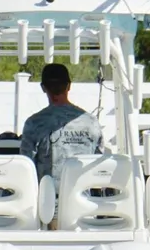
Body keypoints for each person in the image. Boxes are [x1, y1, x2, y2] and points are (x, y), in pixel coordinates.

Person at [20, 63, 104, 228]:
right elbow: (99, 164)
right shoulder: (91, 122)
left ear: (43, 88)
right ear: (69, 86)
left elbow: (25, 168)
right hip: (86, 208)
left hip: (49, 212)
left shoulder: (34, 123)